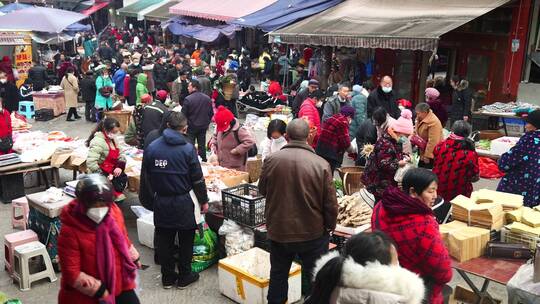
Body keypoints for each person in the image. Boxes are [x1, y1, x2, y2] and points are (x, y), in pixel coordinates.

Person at [258, 118, 338, 303]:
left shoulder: (271, 160)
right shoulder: (321, 164)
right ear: (309, 136)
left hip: (279, 230)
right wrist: (329, 226)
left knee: (278, 275)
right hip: (312, 233)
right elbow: (330, 204)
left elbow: (262, 190)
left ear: (287, 136)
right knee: (315, 280)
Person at [142, 111, 209, 289]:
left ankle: (167, 277)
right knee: (186, 240)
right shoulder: (187, 149)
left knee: (165, 240)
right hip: (183, 201)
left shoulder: (153, 147)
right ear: (184, 128)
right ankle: (185, 275)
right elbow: (197, 179)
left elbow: (147, 175)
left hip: (162, 201)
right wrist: (204, 200)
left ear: (168, 126)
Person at [371, 168, 453, 304]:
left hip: (384, 279)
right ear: (413, 192)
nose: (435, 196)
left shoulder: (381, 206)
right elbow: (444, 272)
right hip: (413, 287)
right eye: (430, 191)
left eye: (435, 190)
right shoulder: (423, 223)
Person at [57, 174, 140, 304]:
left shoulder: (114, 212)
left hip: (119, 280)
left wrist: (133, 256)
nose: (99, 211)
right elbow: (71, 272)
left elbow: (123, 238)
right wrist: (99, 289)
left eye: (103, 206)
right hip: (88, 293)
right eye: (94, 206)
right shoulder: (70, 229)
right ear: (83, 204)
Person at [306, 231, 425, 304]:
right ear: (381, 270)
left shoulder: (325, 287)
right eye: (395, 260)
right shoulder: (397, 300)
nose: (398, 265)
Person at [497, 109, 540, 207]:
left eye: (528, 123)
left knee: (511, 214)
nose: (525, 125)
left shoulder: (529, 140)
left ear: (535, 125)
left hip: (520, 187)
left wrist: (500, 160)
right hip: (535, 189)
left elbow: (505, 164)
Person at [362, 107, 402, 200]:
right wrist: (399, 163)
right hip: (380, 179)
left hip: (381, 177)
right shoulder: (386, 143)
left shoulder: (392, 126)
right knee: (381, 198)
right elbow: (384, 164)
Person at [433, 121, 479, 202]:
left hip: (438, 189)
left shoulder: (439, 146)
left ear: (452, 130)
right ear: (468, 133)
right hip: (460, 194)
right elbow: (474, 177)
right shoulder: (470, 154)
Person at [86, 118, 127, 201]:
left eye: (117, 132)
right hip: (100, 174)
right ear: (106, 130)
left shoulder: (113, 139)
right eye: (114, 132)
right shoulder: (97, 142)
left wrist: (119, 166)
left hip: (111, 172)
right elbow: (91, 163)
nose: (116, 134)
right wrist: (104, 177)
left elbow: (121, 153)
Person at [209, 106, 256, 171]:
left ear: (230, 122)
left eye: (225, 127)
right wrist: (213, 144)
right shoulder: (219, 127)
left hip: (235, 165)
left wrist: (237, 150)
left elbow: (250, 141)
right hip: (222, 163)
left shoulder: (239, 130)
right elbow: (215, 137)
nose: (223, 130)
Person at [316, 105, 356, 173]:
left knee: (320, 172)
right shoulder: (343, 122)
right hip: (330, 153)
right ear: (349, 117)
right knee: (328, 174)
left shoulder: (334, 117)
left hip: (320, 148)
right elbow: (345, 142)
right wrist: (353, 150)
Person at [182, 80, 213, 162]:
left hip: (191, 126)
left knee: (190, 144)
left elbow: (183, 115)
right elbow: (211, 113)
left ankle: (191, 161)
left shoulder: (188, 99)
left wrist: (184, 126)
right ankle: (203, 159)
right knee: (202, 144)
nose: (188, 88)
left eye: (189, 86)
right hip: (203, 125)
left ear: (194, 87)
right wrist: (207, 122)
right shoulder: (207, 98)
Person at [415, 103, 443, 169]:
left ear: (425, 112)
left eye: (418, 113)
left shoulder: (433, 122)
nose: (417, 115)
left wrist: (427, 156)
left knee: (426, 173)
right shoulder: (421, 118)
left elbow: (433, 141)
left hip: (430, 153)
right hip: (423, 150)